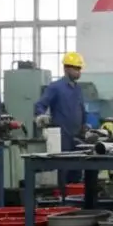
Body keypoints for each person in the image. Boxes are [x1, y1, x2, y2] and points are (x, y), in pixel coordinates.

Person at [35, 51, 87, 183]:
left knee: (77, 170)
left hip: (77, 137)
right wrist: (41, 116)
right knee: (63, 170)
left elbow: (81, 109)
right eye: (76, 68)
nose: (79, 72)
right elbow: (40, 104)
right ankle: (63, 194)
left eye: (80, 69)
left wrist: (84, 125)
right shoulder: (55, 87)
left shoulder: (78, 89)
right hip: (62, 137)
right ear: (66, 68)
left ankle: (75, 194)